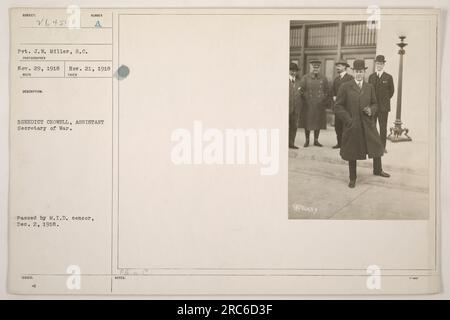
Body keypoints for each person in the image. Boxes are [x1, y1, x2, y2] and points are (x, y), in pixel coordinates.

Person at [334, 59, 390, 188]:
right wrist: (348, 120)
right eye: (357, 72)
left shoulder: (369, 87)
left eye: (361, 72)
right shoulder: (345, 87)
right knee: (352, 151)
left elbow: (375, 103)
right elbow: (338, 107)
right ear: (353, 72)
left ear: (364, 72)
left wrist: (371, 110)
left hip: (368, 123)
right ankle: (352, 178)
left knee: (376, 146)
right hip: (353, 125)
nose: (359, 74)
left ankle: (378, 170)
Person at [298, 60, 331, 147]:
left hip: (319, 104)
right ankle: (307, 140)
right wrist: (305, 99)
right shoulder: (305, 78)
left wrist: (323, 98)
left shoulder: (323, 78)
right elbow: (300, 90)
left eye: (317, 67)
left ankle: (316, 140)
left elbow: (327, 91)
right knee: (307, 122)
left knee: (318, 122)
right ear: (310, 67)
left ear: (319, 68)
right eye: (314, 67)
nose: (315, 69)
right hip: (308, 104)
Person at [368, 55, 395, 153]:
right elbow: (368, 91)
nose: (379, 65)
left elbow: (391, 91)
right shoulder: (371, 77)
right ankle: (372, 146)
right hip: (373, 107)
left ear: (383, 65)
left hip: (384, 108)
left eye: (381, 64)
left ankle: (382, 147)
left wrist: (384, 100)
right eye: (377, 63)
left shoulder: (388, 77)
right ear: (375, 64)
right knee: (372, 127)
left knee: (383, 127)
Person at [332, 60, 354, 149]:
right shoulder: (336, 79)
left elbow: (352, 92)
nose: (337, 68)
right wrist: (334, 96)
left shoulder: (350, 78)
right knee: (338, 126)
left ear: (345, 67)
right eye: (337, 66)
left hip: (347, 107)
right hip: (338, 107)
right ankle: (339, 143)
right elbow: (333, 90)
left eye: (339, 66)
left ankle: (346, 144)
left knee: (346, 126)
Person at [289, 63, 302, 149]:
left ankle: (291, 143)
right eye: (291, 70)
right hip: (286, 108)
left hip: (296, 109)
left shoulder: (299, 82)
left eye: (295, 71)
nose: (293, 72)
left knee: (294, 126)